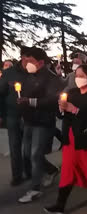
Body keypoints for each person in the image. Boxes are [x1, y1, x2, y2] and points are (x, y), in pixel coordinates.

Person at [44, 65, 87, 214]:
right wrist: (61, 109)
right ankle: (60, 205)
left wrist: (74, 109)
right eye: (76, 75)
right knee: (67, 170)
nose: (78, 78)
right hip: (71, 138)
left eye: (82, 75)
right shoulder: (72, 92)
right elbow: (62, 115)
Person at [17, 47, 64, 203]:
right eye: (25, 60)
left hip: (43, 122)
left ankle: (35, 189)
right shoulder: (29, 76)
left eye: (30, 61)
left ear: (41, 62)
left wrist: (29, 101)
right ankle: (51, 170)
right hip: (29, 120)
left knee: (35, 155)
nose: (27, 64)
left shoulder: (51, 78)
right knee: (26, 154)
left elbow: (52, 100)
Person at [0, 47, 30, 186]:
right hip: (13, 115)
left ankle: (30, 171)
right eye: (28, 59)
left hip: (29, 115)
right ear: (23, 57)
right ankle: (17, 175)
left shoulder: (32, 73)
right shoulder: (8, 74)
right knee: (15, 145)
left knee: (29, 146)